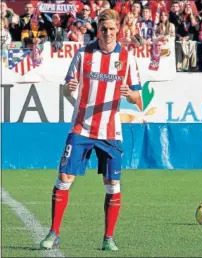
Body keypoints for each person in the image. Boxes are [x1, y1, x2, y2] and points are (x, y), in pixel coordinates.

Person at [40, 9, 141, 251]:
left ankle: (108, 238)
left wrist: (130, 94)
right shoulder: (83, 53)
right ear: (98, 29)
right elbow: (66, 90)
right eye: (103, 29)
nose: (107, 33)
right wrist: (69, 88)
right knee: (64, 178)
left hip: (110, 132)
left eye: (112, 29)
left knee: (112, 184)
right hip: (81, 127)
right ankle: (54, 232)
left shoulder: (127, 57)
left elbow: (139, 98)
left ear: (119, 30)